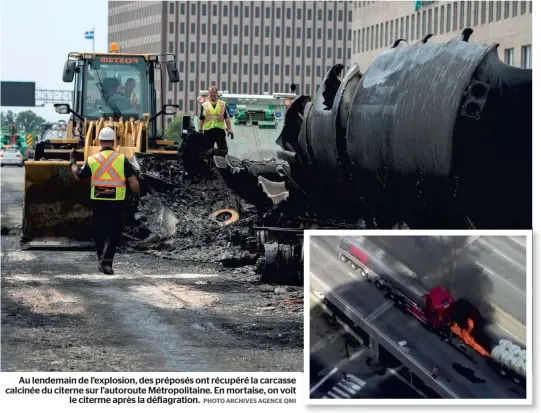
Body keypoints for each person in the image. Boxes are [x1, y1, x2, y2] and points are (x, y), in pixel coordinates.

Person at [70, 127, 140, 275]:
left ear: (100, 141)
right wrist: (136, 196)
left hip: (98, 200)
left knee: (99, 230)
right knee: (114, 231)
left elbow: (78, 176)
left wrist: (73, 162)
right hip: (116, 201)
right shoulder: (122, 159)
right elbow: (133, 181)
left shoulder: (92, 159)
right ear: (114, 142)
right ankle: (106, 261)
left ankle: (101, 258)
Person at [198, 85, 233, 157]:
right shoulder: (204, 105)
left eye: (214, 92)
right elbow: (201, 119)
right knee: (207, 150)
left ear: (216, 93)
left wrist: (229, 129)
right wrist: (200, 129)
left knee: (223, 150)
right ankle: (208, 166)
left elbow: (227, 118)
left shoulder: (222, 104)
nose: (212, 94)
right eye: (211, 92)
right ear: (208, 93)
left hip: (219, 130)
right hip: (208, 131)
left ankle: (221, 165)